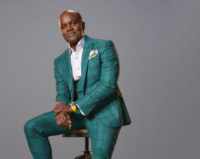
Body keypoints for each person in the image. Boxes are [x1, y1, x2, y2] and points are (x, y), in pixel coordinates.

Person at [24, 10, 131, 159]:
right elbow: (62, 92)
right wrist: (61, 110)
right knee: (32, 127)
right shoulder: (59, 61)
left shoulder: (104, 46)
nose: (68, 28)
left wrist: (73, 107)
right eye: (63, 26)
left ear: (82, 25)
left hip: (103, 113)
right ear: (61, 31)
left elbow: (107, 85)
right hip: (75, 115)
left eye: (73, 23)